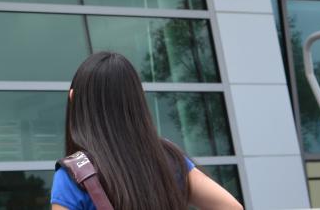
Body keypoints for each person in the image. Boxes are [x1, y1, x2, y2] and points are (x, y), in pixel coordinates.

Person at [52, 52, 243, 210]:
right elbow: (232, 207)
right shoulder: (168, 157)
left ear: (73, 97)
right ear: (138, 99)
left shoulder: (73, 175)